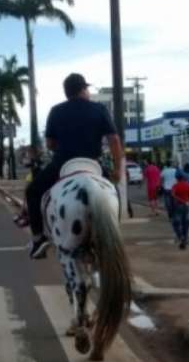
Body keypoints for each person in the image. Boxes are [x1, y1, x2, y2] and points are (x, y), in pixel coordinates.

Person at [25, 73, 123, 259]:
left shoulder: (56, 111)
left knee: (33, 192)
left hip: (62, 164)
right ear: (83, 89)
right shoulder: (99, 108)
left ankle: (38, 238)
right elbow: (114, 139)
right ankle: (115, 235)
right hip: (93, 164)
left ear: (67, 93)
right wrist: (118, 169)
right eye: (87, 89)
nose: (88, 92)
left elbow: (50, 144)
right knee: (113, 192)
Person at [171, 172, 189, 250]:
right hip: (187, 206)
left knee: (176, 223)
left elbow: (173, 195)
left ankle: (181, 237)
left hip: (178, 206)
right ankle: (184, 238)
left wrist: (179, 200)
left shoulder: (175, 186)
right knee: (186, 223)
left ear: (177, 178)